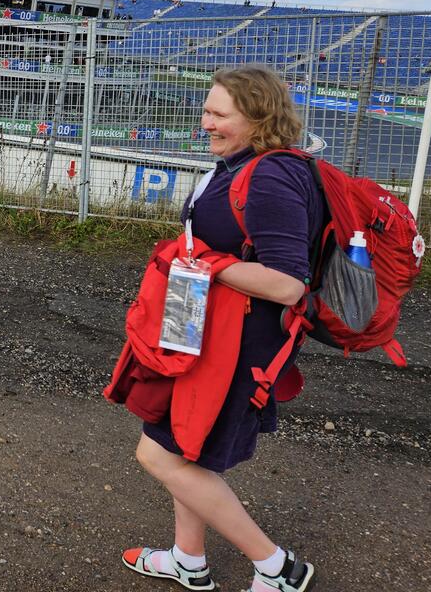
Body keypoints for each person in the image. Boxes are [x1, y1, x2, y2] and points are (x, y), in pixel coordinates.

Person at [120, 64, 322, 592]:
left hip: (234, 345)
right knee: (186, 450)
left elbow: (287, 283)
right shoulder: (237, 164)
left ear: (259, 118)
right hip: (201, 329)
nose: (205, 122)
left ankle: (277, 568)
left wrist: (203, 265)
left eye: (219, 114)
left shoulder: (271, 176)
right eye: (206, 110)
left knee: (157, 454)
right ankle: (188, 560)